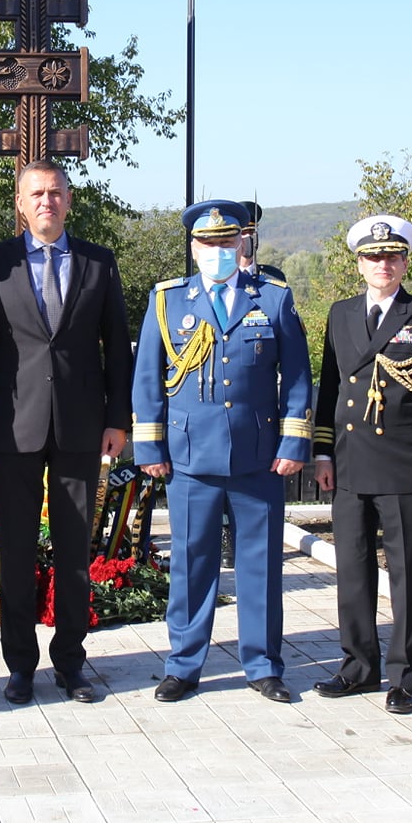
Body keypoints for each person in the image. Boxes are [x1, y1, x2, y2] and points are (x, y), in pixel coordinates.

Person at [0, 160, 133, 705]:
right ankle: (19, 665)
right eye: (36, 193)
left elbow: (117, 349)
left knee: (75, 551)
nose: (46, 202)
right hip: (12, 427)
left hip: (81, 426)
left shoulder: (98, 264)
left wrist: (117, 419)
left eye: (55, 192)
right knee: (15, 549)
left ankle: (72, 663)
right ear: (19, 203)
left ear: (69, 200)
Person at [131, 200, 312, 704]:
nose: (217, 251)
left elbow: (297, 377)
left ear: (241, 245)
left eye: (226, 243)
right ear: (194, 247)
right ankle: (183, 666)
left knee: (260, 565)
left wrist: (294, 440)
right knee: (191, 565)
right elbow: (147, 377)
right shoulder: (168, 300)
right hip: (189, 459)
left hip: (258, 457)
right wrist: (149, 445)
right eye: (207, 244)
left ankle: (263, 665)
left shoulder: (272, 298)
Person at [310, 214, 412, 714]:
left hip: (404, 465)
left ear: (405, 262)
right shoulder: (341, 313)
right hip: (350, 464)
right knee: (352, 570)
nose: (383, 265)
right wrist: (323, 451)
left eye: (392, 257)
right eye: (374, 257)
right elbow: (329, 387)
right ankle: (358, 667)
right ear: (359, 263)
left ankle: (407, 675)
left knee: (407, 574)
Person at [237, 200, 285, 282]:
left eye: (252, 232)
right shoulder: (223, 277)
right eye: (243, 233)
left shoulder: (274, 277)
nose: (248, 236)